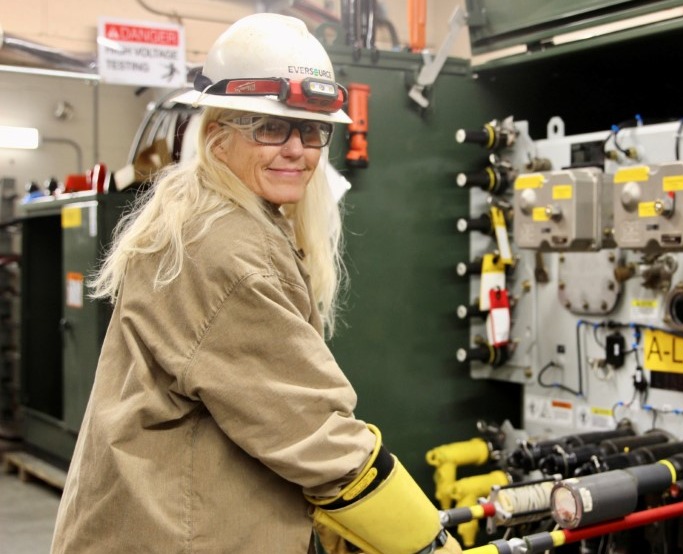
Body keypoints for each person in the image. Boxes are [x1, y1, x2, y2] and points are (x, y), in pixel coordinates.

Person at [51, 13, 461, 554]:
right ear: (218, 136)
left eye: (313, 129)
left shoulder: (211, 215)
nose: (297, 148)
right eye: (270, 127)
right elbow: (315, 435)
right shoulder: (227, 250)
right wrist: (430, 543)